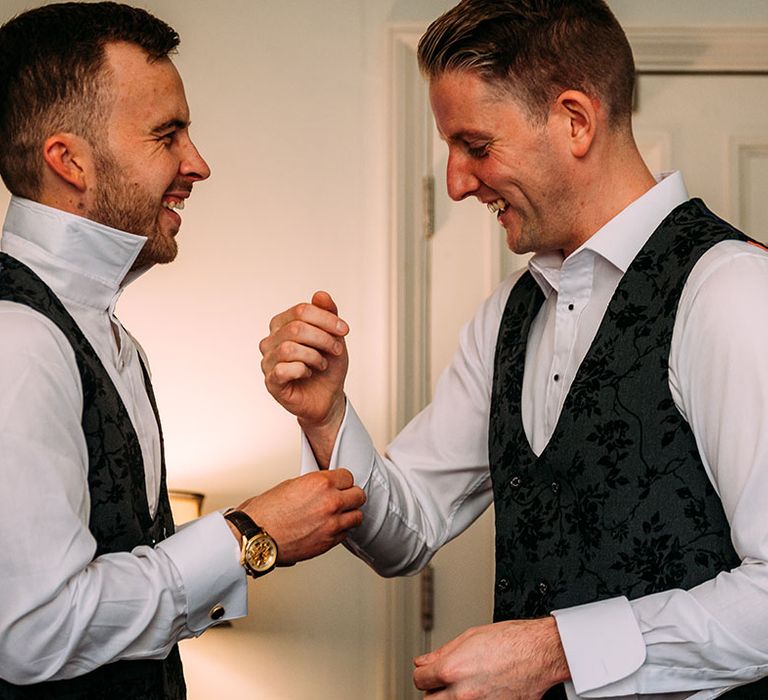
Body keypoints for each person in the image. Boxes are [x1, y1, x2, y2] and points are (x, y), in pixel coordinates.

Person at [259, 0, 768, 698]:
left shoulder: (729, 289)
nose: (459, 181)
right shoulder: (506, 314)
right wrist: (325, 416)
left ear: (575, 121)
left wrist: (556, 651)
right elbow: (404, 531)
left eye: (475, 145)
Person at [0, 3, 366, 697]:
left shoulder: (112, 340)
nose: (197, 164)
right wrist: (249, 536)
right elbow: (34, 631)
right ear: (68, 160)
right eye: (167, 135)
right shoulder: (16, 343)